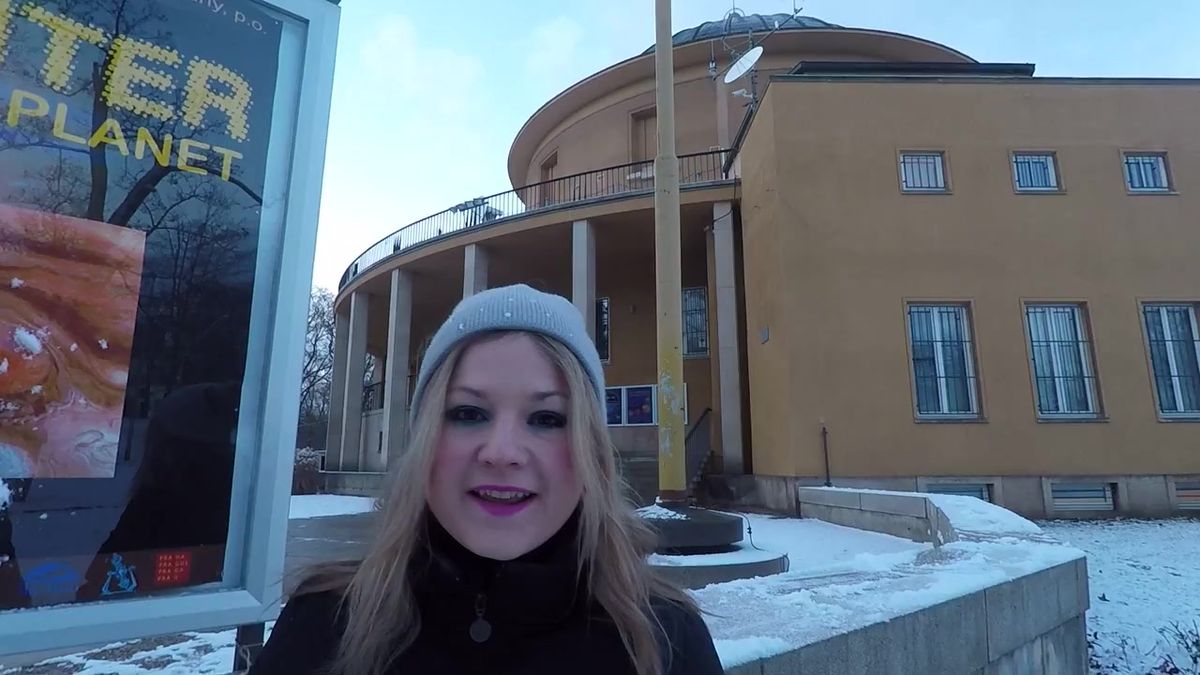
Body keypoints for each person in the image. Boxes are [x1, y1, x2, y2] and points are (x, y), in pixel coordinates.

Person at [250, 284, 723, 675]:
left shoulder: (666, 640)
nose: (501, 453)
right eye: (468, 413)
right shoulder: (323, 623)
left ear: (591, 454)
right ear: (425, 441)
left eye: (547, 419)